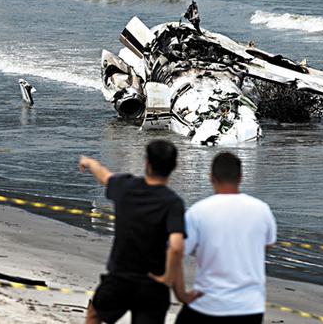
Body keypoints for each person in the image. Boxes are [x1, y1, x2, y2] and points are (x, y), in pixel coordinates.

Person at [79, 139, 185, 324]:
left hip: (121, 276)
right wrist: (168, 279)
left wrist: (90, 162)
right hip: (153, 283)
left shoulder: (126, 187)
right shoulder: (173, 202)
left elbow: (104, 176)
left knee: (94, 314)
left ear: (146, 163)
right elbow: (176, 247)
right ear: (174, 166)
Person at [170, 151, 277, 324]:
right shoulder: (262, 210)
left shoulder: (198, 212)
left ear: (211, 177)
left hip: (208, 304)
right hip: (250, 307)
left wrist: (180, 293)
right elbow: (268, 245)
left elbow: (176, 251)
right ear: (241, 177)